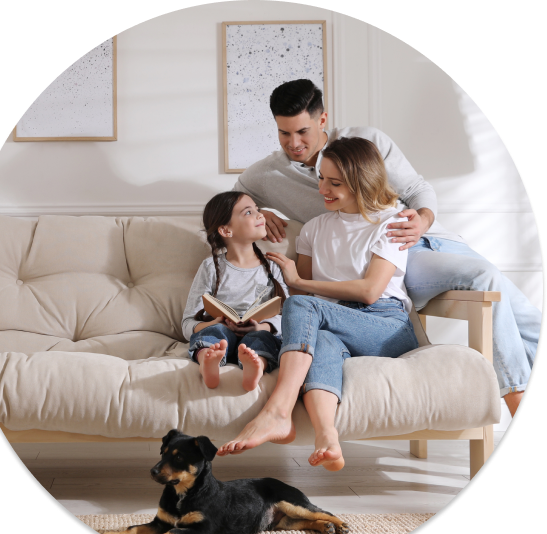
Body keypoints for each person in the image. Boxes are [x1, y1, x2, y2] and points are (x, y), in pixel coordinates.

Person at [230, 78, 539, 418]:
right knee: (484, 278)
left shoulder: (366, 141)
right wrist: (262, 212)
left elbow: (419, 189)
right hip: (395, 252)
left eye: (302, 131)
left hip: (426, 238)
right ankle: (515, 403)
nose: (294, 143)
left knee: (524, 317)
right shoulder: (268, 175)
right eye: (283, 133)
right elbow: (230, 203)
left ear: (322, 120)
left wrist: (421, 221)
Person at [217, 137, 419, 470]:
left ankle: (278, 411)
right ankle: (327, 437)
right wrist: (265, 318)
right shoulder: (313, 229)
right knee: (319, 340)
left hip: (385, 325)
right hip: (334, 324)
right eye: (321, 178)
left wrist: (297, 282)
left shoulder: (392, 223)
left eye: (335, 182)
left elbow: (370, 291)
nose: (323, 188)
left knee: (305, 308)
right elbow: (304, 305)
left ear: (361, 181)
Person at [182, 191, 288, 392]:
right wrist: (213, 323)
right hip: (221, 334)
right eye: (249, 212)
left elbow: (289, 318)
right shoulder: (210, 267)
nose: (260, 215)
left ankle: (256, 367)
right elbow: (187, 323)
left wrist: (262, 328)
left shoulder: (272, 266)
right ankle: (208, 361)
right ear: (226, 230)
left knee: (263, 340)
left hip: (257, 333)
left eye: (257, 209)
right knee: (214, 332)